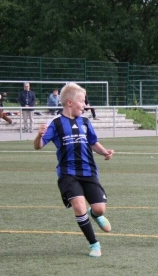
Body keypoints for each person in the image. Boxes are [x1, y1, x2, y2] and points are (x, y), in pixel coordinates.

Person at [33, 83, 114, 257]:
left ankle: (95, 214)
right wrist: (39, 135)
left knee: (100, 209)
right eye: (82, 101)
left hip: (88, 171)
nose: (84, 105)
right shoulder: (56, 123)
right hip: (67, 173)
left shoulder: (85, 121)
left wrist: (105, 152)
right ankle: (94, 244)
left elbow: (92, 142)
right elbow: (38, 145)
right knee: (79, 206)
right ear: (70, 102)